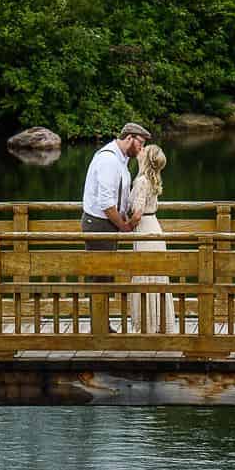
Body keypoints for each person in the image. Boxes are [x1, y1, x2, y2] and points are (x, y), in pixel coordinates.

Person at [125, 144, 173, 334]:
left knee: (145, 274)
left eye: (144, 150)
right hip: (154, 226)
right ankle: (158, 323)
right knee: (156, 275)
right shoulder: (152, 179)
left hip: (145, 228)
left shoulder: (142, 181)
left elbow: (137, 214)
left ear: (145, 158)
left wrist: (125, 227)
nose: (140, 150)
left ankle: (147, 325)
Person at [81, 123, 150, 251]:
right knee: (101, 268)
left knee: (107, 268)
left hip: (109, 222)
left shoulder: (121, 159)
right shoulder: (109, 159)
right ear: (129, 138)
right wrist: (124, 226)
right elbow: (106, 203)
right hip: (99, 224)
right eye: (140, 143)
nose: (142, 148)